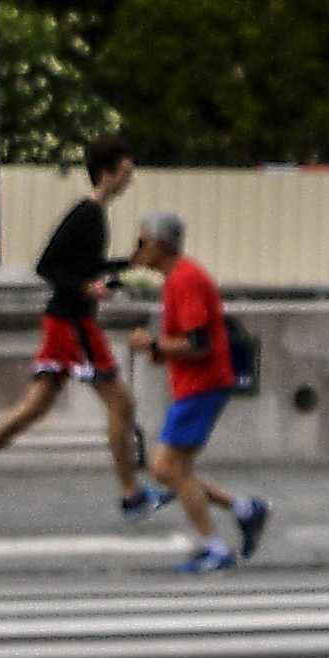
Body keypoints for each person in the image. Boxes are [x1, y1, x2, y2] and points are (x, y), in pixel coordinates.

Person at [0, 144, 148, 516]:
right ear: (106, 173)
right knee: (121, 403)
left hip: (69, 320)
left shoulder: (94, 214)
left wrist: (126, 264)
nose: (128, 179)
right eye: (125, 171)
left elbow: (84, 265)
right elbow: (47, 266)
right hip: (72, 323)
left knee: (34, 409)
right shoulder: (86, 214)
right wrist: (85, 288)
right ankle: (131, 494)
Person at [125, 208, 270, 573]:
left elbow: (199, 343)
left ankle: (216, 547)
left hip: (201, 385)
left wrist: (153, 346)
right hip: (200, 384)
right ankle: (244, 509)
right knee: (173, 469)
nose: (137, 251)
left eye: (141, 242)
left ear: (159, 244)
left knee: (167, 468)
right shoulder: (181, 277)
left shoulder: (184, 280)